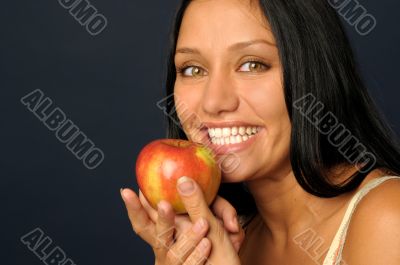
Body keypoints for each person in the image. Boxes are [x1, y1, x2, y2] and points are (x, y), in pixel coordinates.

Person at [121, 0, 400, 264]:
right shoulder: (223, 240)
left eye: (252, 65)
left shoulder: (388, 218)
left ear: (312, 72)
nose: (214, 102)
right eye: (193, 69)